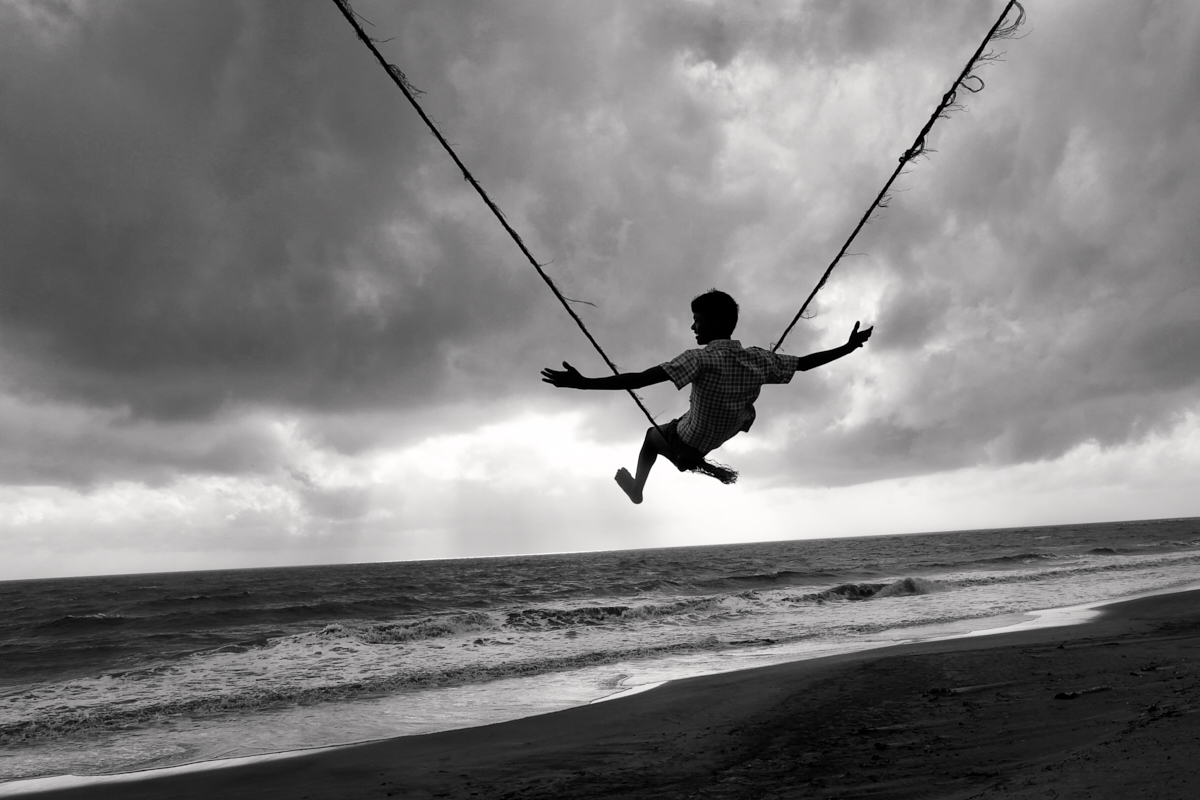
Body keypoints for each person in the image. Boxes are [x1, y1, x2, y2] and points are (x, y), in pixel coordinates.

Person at [541, 289, 873, 503]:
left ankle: (638, 490)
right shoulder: (759, 358)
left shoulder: (699, 359)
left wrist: (583, 384)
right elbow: (804, 364)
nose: (692, 327)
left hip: (690, 437)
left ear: (714, 322)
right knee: (688, 433)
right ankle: (693, 461)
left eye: (697, 321)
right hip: (723, 430)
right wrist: (847, 347)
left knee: (651, 437)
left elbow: (640, 380)